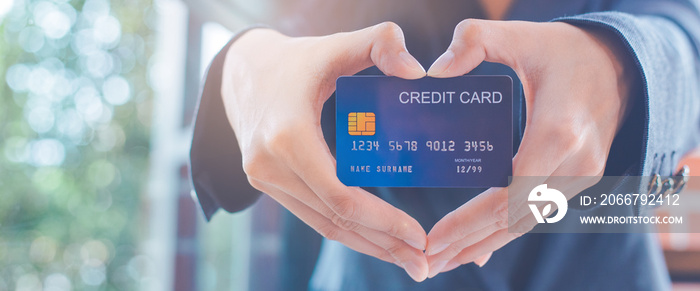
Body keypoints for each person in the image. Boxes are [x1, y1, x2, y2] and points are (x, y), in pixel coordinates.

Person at [189, 0, 700, 290]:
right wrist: (243, 67)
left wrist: (623, 69)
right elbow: (287, 40)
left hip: (599, 271)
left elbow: (685, 37)